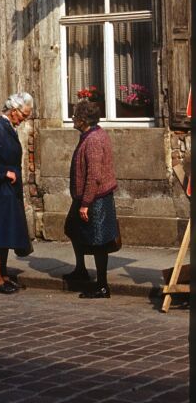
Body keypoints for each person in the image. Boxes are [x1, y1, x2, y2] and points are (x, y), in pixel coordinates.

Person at [0, 92, 34, 294]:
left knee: (6, 232)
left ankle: (3, 274)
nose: (24, 119)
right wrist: (4, 172)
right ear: (13, 111)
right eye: (24, 115)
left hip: (7, 191)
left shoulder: (8, 128)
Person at [64, 98, 120, 299]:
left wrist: (86, 203)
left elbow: (94, 175)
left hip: (96, 199)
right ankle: (81, 269)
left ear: (82, 119)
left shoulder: (94, 139)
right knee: (71, 228)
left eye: (75, 115)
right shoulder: (90, 135)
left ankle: (102, 286)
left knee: (99, 242)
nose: (72, 118)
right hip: (87, 197)